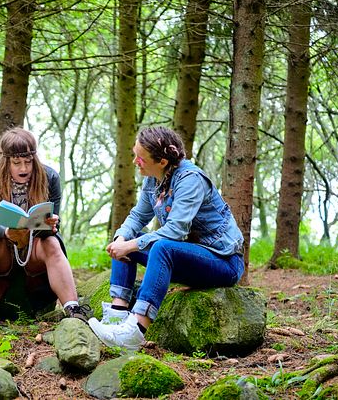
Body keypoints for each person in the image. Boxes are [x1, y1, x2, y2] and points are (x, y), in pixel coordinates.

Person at [89, 126, 245, 350]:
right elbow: (138, 215)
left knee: (162, 247)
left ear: (162, 161)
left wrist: (130, 245)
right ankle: (117, 316)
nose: (135, 161)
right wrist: (122, 239)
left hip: (223, 261)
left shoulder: (191, 180)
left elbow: (175, 232)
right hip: (190, 257)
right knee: (129, 238)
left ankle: (134, 332)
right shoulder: (154, 180)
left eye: (140, 158)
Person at [0, 127, 89, 334]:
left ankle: (73, 308)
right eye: (17, 163)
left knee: (52, 243)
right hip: (1, 245)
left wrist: (51, 225)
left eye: (28, 161)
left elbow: (53, 223)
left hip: (35, 245)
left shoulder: (50, 177)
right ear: (6, 161)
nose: (24, 168)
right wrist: (7, 232)